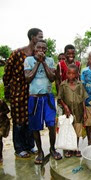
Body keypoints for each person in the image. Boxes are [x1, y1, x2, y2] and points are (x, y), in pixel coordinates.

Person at [3, 28, 43, 158]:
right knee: (19, 121)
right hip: (18, 93)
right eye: (39, 37)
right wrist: (8, 92)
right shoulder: (18, 53)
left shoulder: (38, 55)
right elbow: (7, 73)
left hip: (32, 93)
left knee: (30, 119)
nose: (41, 39)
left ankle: (30, 146)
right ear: (32, 37)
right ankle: (19, 148)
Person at [24, 40, 62, 164]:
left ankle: (52, 149)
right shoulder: (28, 60)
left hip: (48, 97)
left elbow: (52, 78)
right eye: (38, 47)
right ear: (34, 49)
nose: (41, 50)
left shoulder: (50, 60)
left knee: (51, 125)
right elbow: (28, 79)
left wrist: (43, 62)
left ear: (46, 50)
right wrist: (37, 63)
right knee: (35, 127)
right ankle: (40, 151)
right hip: (34, 98)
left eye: (43, 48)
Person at [58, 64, 88, 158]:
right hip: (68, 113)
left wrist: (85, 112)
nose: (71, 76)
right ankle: (69, 149)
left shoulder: (80, 85)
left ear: (76, 74)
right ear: (66, 74)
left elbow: (83, 99)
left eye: (73, 74)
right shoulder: (63, 85)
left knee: (77, 130)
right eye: (69, 73)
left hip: (78, 111)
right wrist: (65, 107)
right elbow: (59, 98)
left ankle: (76, 148)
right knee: (69, 130)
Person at [0, 99, 10, 163]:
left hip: (2, 123)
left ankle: (0, 156)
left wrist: (1, 113)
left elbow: (8, 110)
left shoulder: (1, 102)